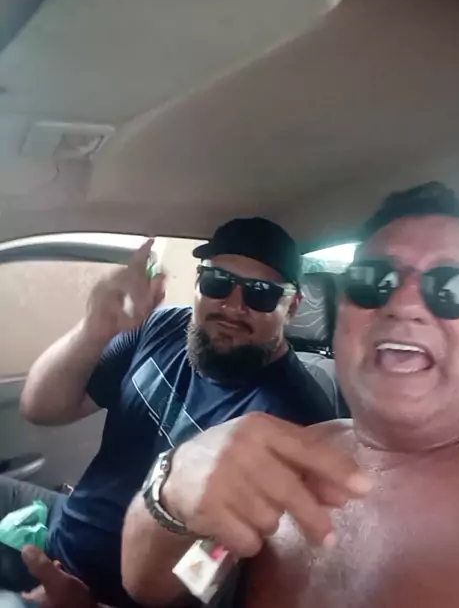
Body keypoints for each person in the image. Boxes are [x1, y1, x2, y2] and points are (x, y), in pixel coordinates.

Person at [121, 181, 459, 608]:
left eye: (456, 286)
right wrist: (171, 491)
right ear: (341, 314)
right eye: (372, 280)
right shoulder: (289, 459)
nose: (403, 303)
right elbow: (172, 585)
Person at [0, 217, 336, 607]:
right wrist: (94, 330)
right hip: (60, 531)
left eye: (260, 294)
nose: (232, 306)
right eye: (217, 282)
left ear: (291, 306)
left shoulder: (299, 421)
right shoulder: (162, 328)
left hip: (111, 595)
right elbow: (40, 408)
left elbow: (213, 572)